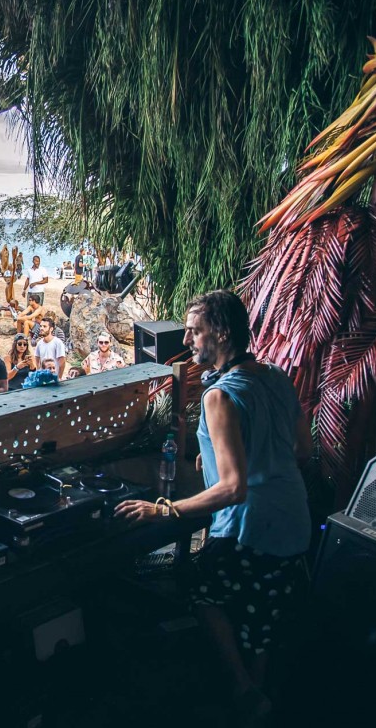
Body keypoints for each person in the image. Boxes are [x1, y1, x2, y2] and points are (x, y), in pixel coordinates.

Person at [115, 290, 312, 721]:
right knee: (258, 618)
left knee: (201, 588)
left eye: (194, 330)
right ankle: (257, 701)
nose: (187, 341)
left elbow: (233, 489)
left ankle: (241, 691)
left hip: (252, 525)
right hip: (294, 522)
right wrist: (235, 453)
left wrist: (164, 510)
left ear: (221, 332)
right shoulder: (275, 375)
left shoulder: (218, 396)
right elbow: (302, 449)